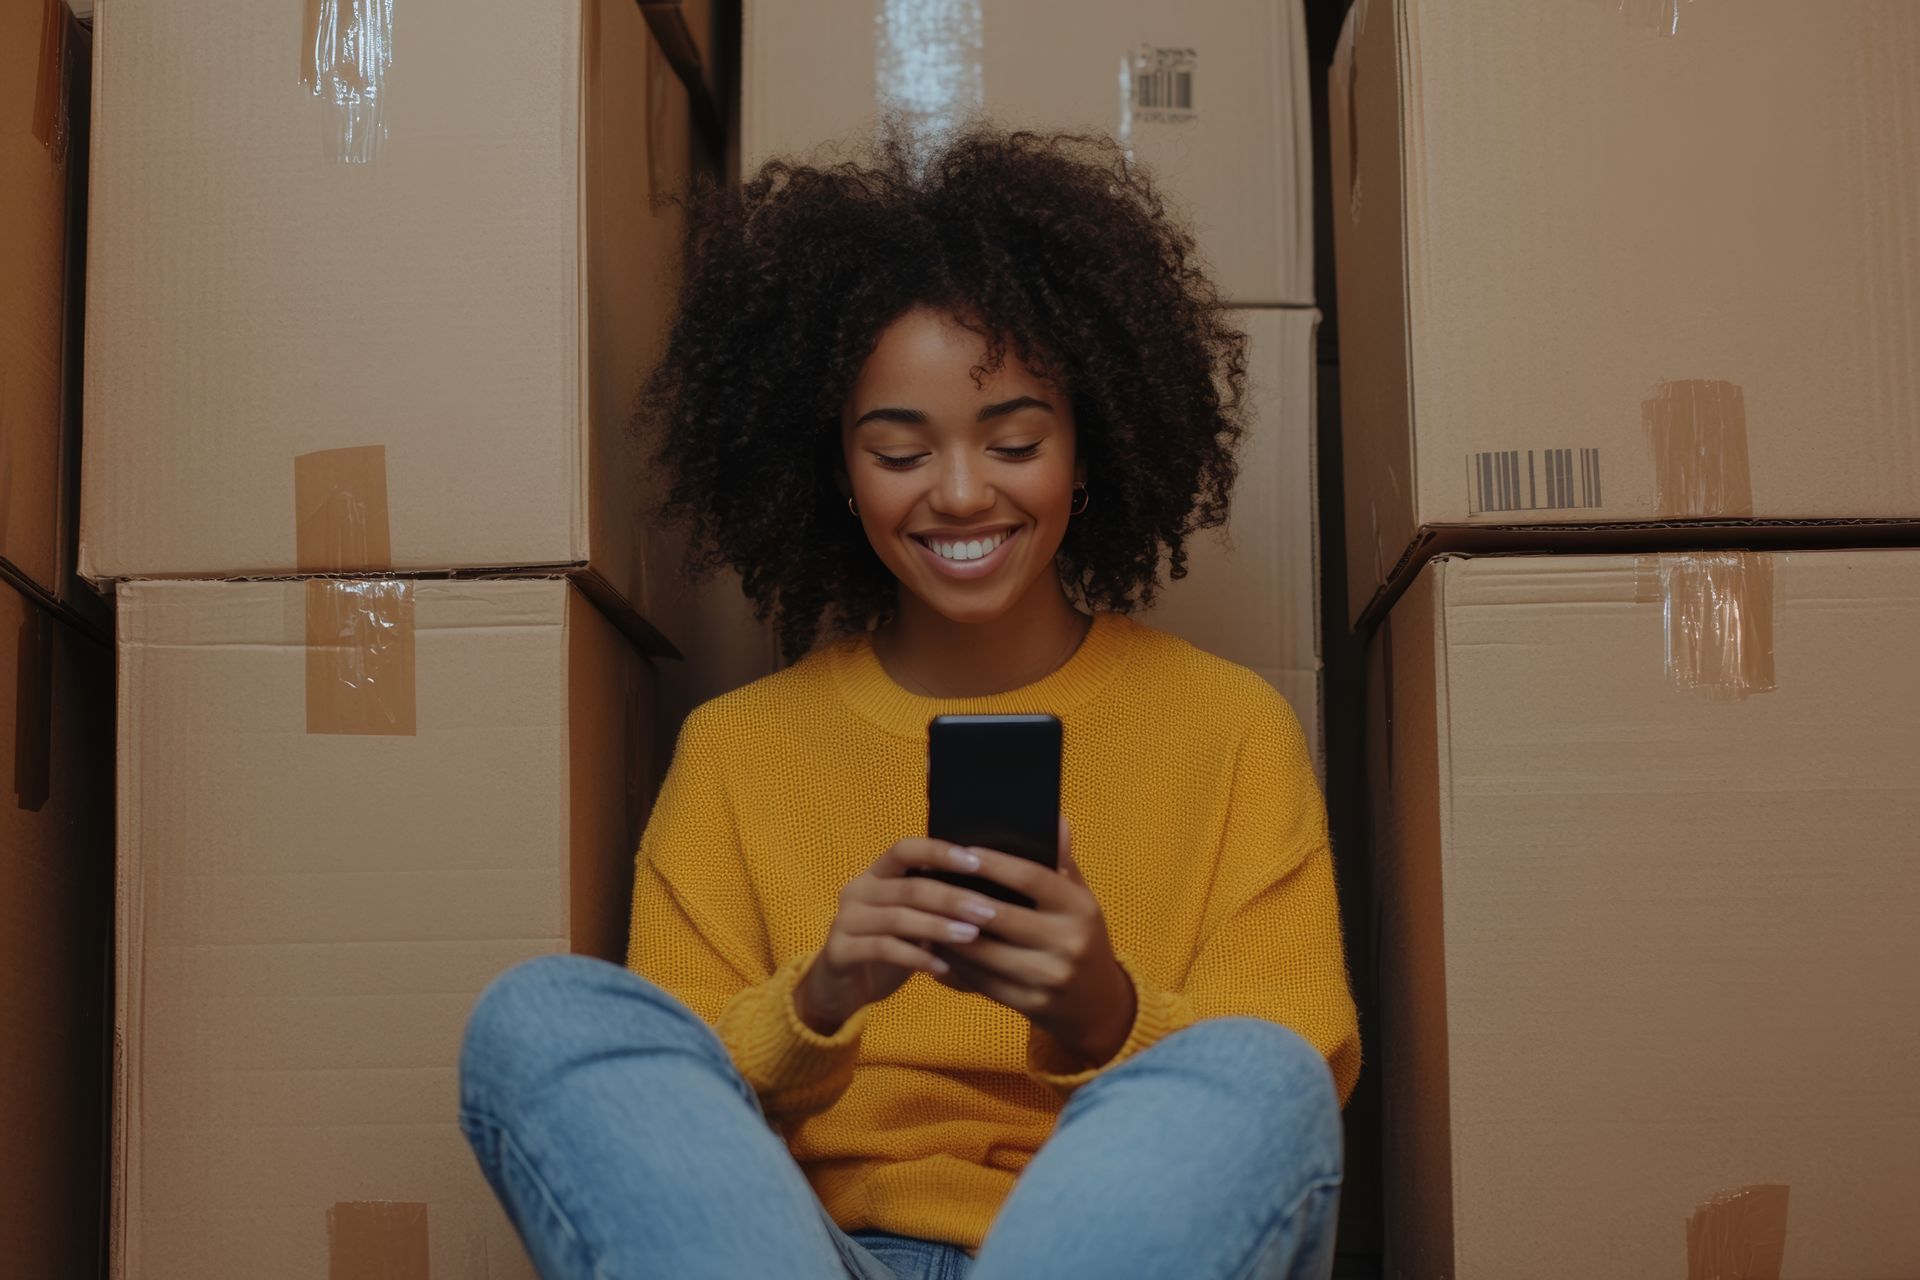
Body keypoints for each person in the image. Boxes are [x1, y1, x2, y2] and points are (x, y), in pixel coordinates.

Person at [457, 125, 1361, 1280]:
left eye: (1016, 439)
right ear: (835, 468)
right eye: (899, 451)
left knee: (1258, 1069)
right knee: (542, 1015)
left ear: (1086, 450)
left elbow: (1294, 1085)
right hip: (813, 1254)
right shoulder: (737, 749)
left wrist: (1103, 1008)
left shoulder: (1230, 728)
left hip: (1099, 1247)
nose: (963, 492)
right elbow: (674, 1106)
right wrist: (821, 993)